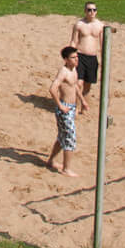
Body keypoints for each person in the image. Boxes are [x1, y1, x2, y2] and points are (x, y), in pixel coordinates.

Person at [46, 45, 86, 176]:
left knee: (62, 136)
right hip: (65, 108)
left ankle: (51, 160)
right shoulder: (63, 72)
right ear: (66, 59)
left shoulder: (74, 70)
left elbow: (75, 87)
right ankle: (66, 169)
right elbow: (52, 89)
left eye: (77, 57)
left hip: (71, 108)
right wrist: (60, 105)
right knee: (70, 138)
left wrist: (82, 101)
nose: (76, 59)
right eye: (73, 57)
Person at [68, 3, 104, 99]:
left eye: (94, 10)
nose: (92, 12)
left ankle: (83, 104)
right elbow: (73, 41)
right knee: (79, 83)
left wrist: (103, 60)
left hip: (92, 58)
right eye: (89, 10)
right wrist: (70, 56)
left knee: (87, 86)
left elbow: (102, 44)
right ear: (85, 11)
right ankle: (75, 105)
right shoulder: (79, 24)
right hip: (80, 56)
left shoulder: (100, 26)